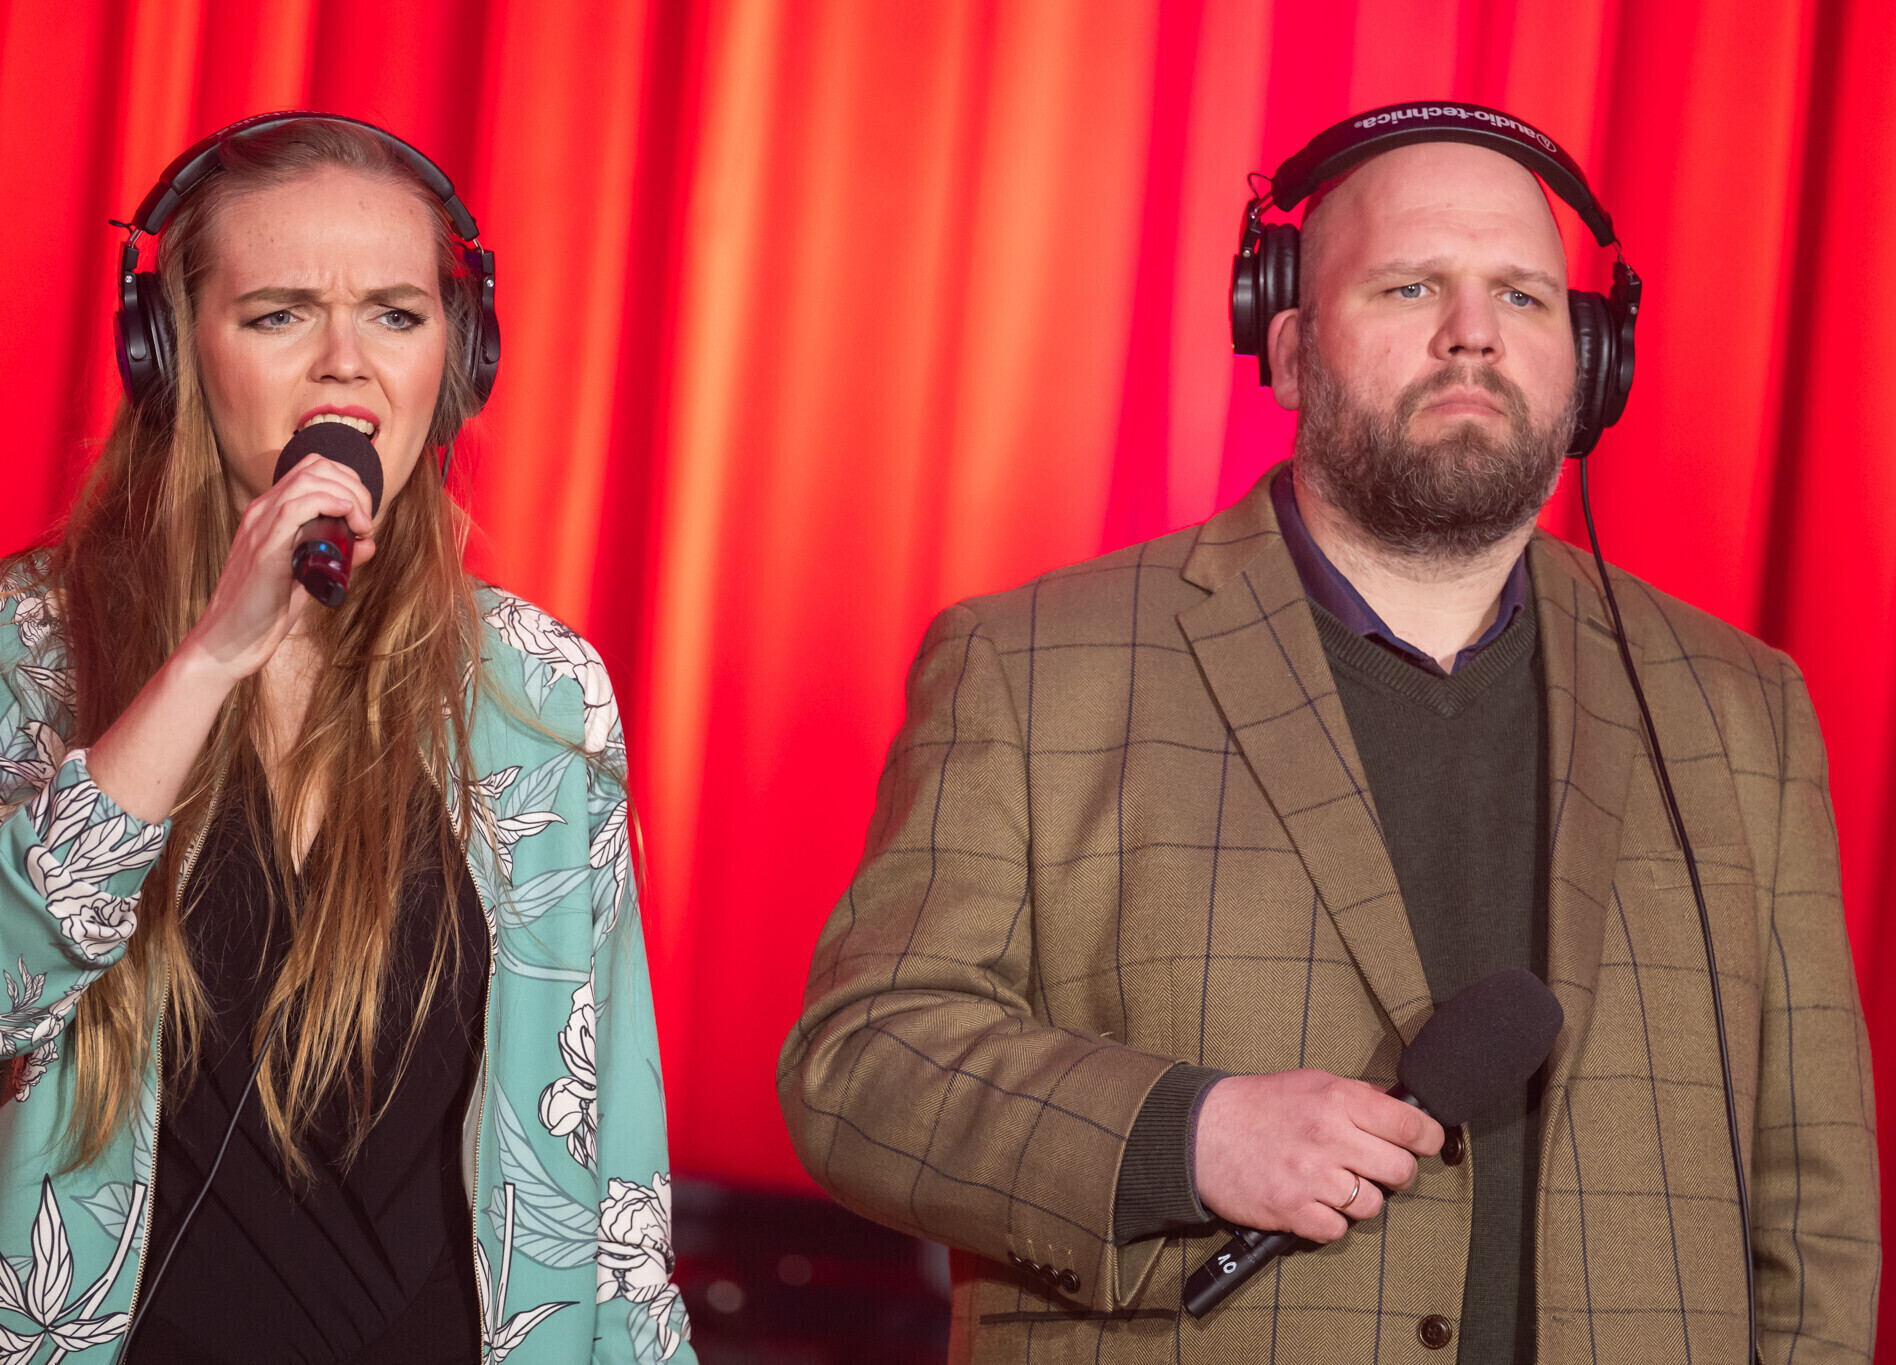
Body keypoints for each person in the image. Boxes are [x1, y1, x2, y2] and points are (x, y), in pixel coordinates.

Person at [779, 103, 1877, 1362]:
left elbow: (1813, 1213)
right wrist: (1183, 1136)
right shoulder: (1029, 668)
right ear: (1289, 350)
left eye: (1521, 297)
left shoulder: (1741, 709)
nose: (1471, 331)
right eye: (1410, 285)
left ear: (1591, 364)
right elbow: (859, 1068)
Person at [0, 115, 693, 1364]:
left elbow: (616, 1176)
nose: (345, 365)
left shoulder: (540, 690)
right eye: (279, 315)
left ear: (459, 358)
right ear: (167, 356)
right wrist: (207, 661)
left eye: (397, 315)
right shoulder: (30, 643)